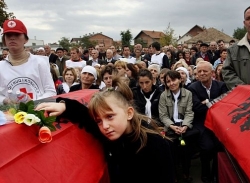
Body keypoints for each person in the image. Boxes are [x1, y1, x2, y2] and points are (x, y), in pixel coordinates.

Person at [35, 77, 175, 183]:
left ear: (129, 113)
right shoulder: (112, 134)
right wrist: (65, 107)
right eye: (99, 121)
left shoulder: (155, 143)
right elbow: (86, 117)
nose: (105, 126)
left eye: (110, 116)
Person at [188, 61, 228, 182]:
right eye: (199, 71)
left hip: (219, 123)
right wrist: (215, 102)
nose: (202, 73)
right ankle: (205, 176)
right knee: (206, 148)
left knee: (219, 148)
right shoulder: (192, 88)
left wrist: (206, 102)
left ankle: (216, 174)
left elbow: (224, 105)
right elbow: (197, 108)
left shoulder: (221, 86)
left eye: (205, 71)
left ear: (212, 73)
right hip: (202, 124)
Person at [0, 19, 56, 104]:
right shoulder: (1, 67)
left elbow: (51, 92)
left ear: (26, 39)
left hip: (38, 113)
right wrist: (6, 101)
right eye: (8, 35)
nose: (12, 38)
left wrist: (31, 104)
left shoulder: (40, 62)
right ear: (4, 40)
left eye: (17, 34)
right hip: (9, 115)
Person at [158, 70, 195, 182]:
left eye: (174, 80)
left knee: (186, 152)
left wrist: (185, 126)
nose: (172, 83)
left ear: (180, 80)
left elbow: (189, 112)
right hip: (170, 127)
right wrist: (172, 126)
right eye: (168, 81)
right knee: (171, 152)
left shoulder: (188, 93)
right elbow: (163, 115)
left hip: (184, 126)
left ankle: (185, 173)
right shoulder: (164, 95)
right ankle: (174, 175)